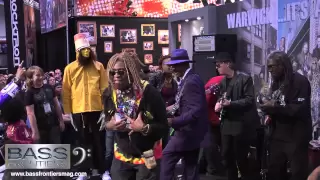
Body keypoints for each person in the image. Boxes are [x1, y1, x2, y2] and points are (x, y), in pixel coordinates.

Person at [103, 52, 168, 180]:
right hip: (122, 156)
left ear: (130, 72)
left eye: (121, 72)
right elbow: (107, 121)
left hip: (148, 155)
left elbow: (164, 127)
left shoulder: (149, 93)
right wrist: (110, 125)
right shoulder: (109, 93)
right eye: (112, 72)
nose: (116, 76)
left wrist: (144, 128)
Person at [62, 33, 108, 180]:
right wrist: (68, 112)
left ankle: (102, 170)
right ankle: (84, 171)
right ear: (78, 52)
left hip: (97, 109)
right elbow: (66, 92)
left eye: (88, 49)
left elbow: (105, 89)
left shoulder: (99, 66)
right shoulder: (70, 69)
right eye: (83, 50)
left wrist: (105, 109)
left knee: (99, 140)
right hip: (78, 110)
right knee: (82, 140)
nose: (87, 52)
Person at [259, 51, 312, 180]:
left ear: (282, 65)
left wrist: (274, 106)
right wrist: (266, 108)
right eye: (268, 67)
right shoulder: (276, 83)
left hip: (296, 136)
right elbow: (276, 105)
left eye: (272, 66)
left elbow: (298, 109)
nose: (269, 70)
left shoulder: (300, 81)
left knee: (297, 173)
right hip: (278, 135)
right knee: (274, 171)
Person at [160, 49, 209, 180]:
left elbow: (195, 111)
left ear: (184, 64)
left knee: (167, 157)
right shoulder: (190, 78)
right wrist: (165, 110)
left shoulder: (191, 81)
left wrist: (174, 122)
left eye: (175, 65)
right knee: (190, 167)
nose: (172, 67)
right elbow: (184, 104)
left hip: (186, 132)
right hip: (192, 133)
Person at [214, 52, 260, 180]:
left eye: (218, 65)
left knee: (241, 157)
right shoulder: (222, 82)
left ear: (227, 63)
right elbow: (222, 98)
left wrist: (231, 104)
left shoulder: (244, 79)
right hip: (227, 124)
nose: (216, 68)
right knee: (226, 156)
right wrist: (219, 103)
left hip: (240, 124)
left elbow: (249, 100)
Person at [25, 66, 65, 144]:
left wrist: (61, 120)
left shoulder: (49, 87)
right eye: (37, 75)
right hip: (40, 128)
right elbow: (30, 113)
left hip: (54, 125)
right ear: (31, 77)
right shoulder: (29, 93)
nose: (40, 77)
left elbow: (57, 105)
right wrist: (35, 131)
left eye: (41, 75)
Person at [149, 55, 178, 149]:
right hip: (157, 114)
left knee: (168, 143)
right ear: (161, 66)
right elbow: (149, 94)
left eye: (171, 63)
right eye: (166, 64)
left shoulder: (176, 79)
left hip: (170, 114)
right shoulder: (156, 77)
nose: (170, 65)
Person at [204, 75, 226, 177]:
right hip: (209, 118)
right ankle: (212, 170)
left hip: (218, 118)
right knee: (210, 145)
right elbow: (206, 104)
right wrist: (217, 120)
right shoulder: (217, 83)